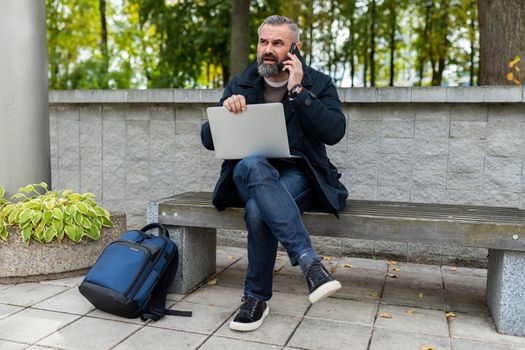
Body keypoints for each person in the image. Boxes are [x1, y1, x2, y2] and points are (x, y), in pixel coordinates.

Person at [200, 15, 348, 332]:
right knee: (253, 164)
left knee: (258, 208)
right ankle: (309, 263)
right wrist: (227, 111)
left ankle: (255, 299)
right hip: (246, 173)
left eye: (277, 43)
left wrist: (299, 93)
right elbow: (207, 140)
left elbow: (335, 131)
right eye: (264, 42)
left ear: (295, 47)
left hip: (298, 174)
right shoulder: (240, 83)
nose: (268, 49)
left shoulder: (317, 83)